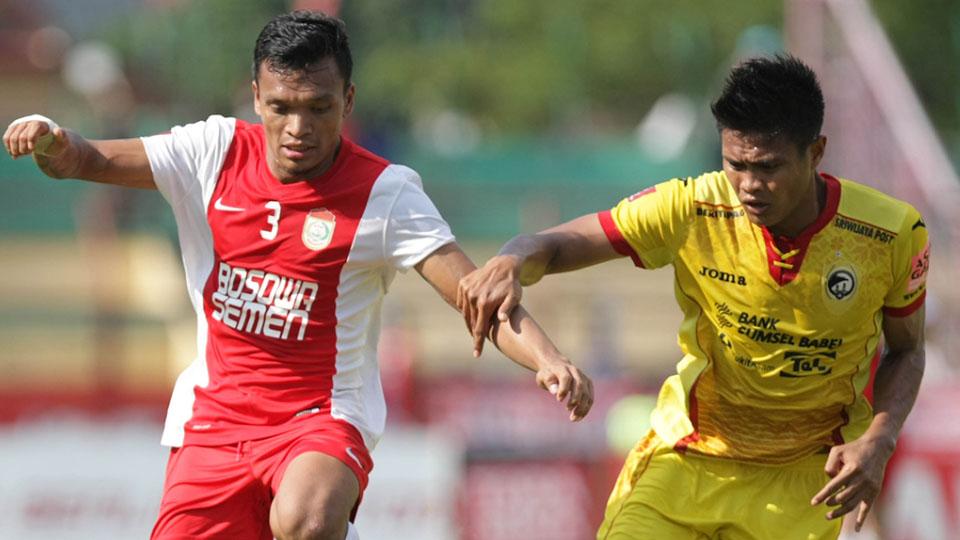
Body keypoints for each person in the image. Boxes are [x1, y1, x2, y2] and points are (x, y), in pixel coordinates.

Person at [3, 11, 594, 540]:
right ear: (256, 96)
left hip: (322, 416)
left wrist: (548, 359)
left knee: (306, 521)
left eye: (319, 108)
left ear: (349, 100)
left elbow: (476, 294)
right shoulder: (210, 152)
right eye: (282, 107)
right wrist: (49, 136)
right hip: (214, 419)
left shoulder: (387, 194)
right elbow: (85, 158)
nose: (298, 128)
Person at [457, 55, 928, 539]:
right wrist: (510, 261)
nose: (748, 185)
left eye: (768, 167)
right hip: (686, 459)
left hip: (802, 484)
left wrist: (880, 439)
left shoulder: (890, 233)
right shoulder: (690, 207)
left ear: (816, 152)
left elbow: (908, 349)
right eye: (735, 164)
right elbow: (557, 244)